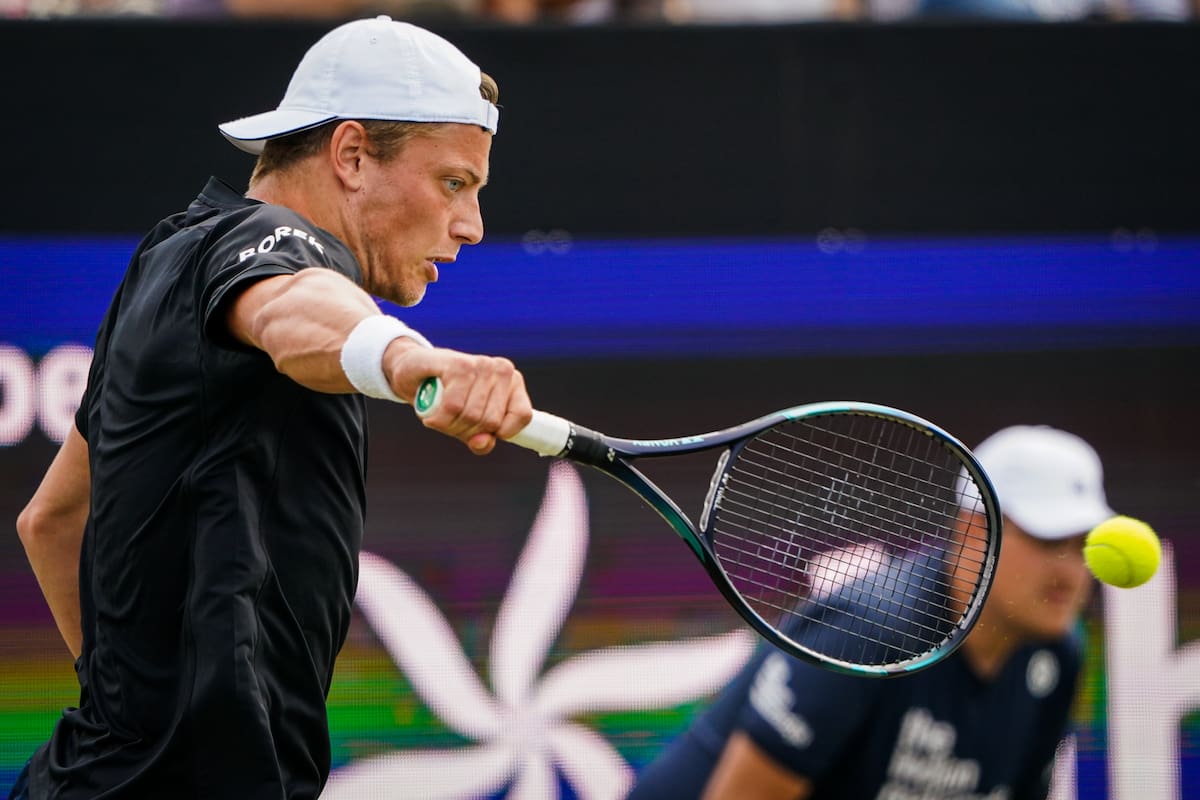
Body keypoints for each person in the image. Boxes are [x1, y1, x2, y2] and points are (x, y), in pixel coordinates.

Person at [11, 16, 530, 800]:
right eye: (454, 183)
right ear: (351, 155)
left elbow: (51, 521)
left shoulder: (172, 257)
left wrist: (139, 720)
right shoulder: (260, 245)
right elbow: (295, 304)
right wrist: (409, 358)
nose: (472, 225)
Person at [627, 424, 1117, 800]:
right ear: (974, 529)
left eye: (1084, 543)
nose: (1071, 571)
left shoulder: (1061, 652)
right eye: (1049, 539)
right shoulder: (868, 629)